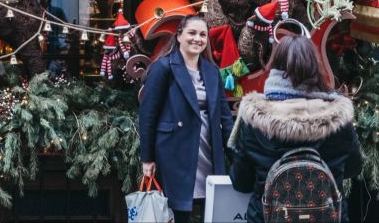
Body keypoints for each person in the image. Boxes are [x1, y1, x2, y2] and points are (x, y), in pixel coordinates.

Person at [229, 35, 362, 223]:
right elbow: (354, 167)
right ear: (315, 67)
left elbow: (241, 181)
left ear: (274, 65)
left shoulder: (254, 117)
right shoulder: (339, 117)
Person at [138, 15, 234, 222]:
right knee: (179, 211)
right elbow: (147, 115)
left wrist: (235, 155)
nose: (197, 39)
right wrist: (147, 158)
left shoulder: (211, 71)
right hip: (175, 151)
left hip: (208, 149)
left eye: (202, 35)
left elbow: (225, 117)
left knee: (210, 210)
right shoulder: (163, 67)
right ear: (179, 35)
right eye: (192, 33)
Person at [39, 0, 68, 75]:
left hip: (53, 46)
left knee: (53, 69)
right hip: (38, 46)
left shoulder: (57, 11)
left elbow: (65, 27)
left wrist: (63, 42)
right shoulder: (34, 11)